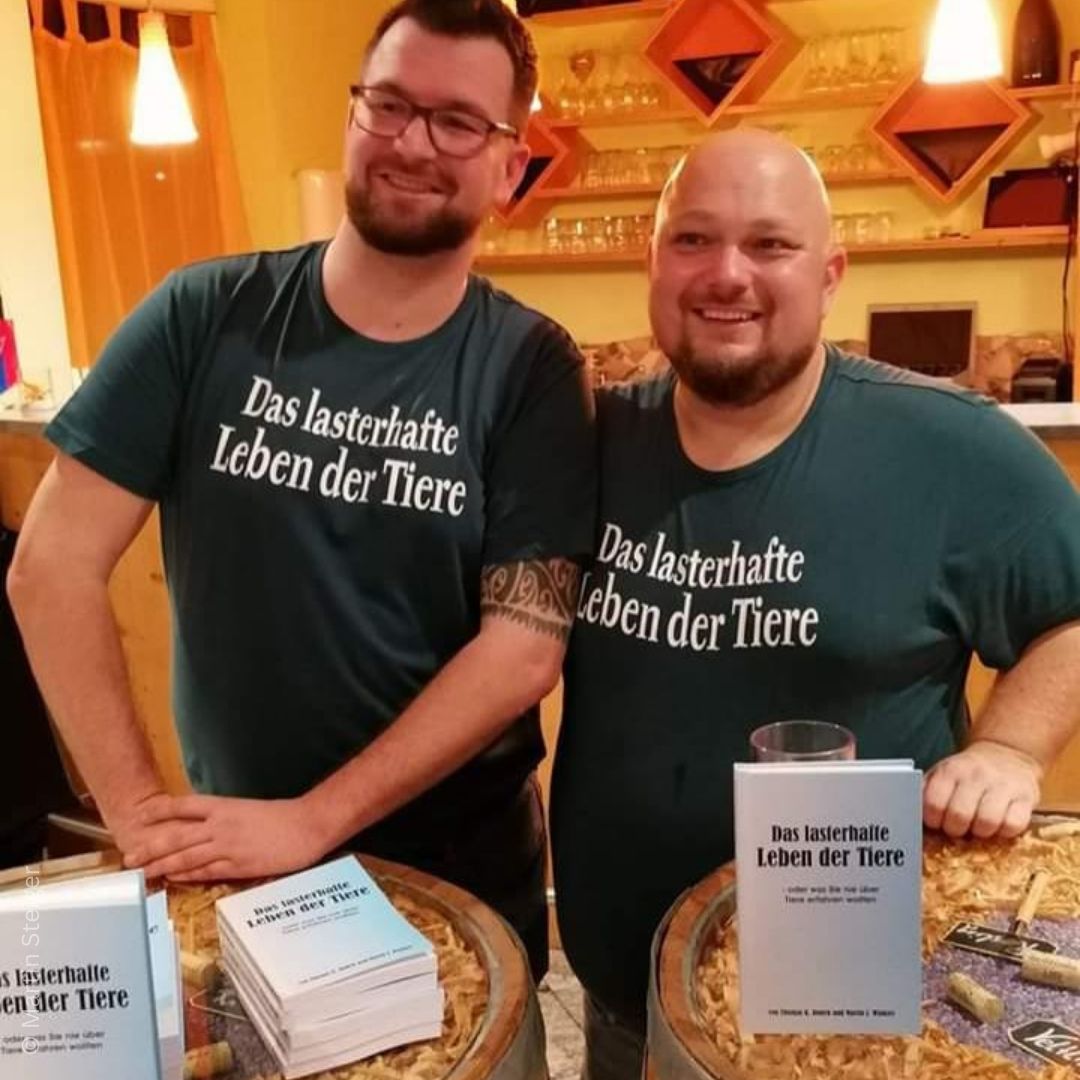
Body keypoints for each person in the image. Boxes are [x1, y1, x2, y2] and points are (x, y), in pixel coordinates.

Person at [7, 0, 596, 983]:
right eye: (390, 104)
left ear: (510, 162)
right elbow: (51, 567)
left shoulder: (533, 369)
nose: (413, 141)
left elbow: (524, 646)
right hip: (237, 864)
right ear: (353, 114)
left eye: (459, 121)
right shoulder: (200, 316)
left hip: (462, 874)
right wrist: (142, 820)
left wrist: (314, 821)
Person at [551, 129, 1080, 1077]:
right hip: (623, 1001)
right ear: (652, 260)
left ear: (830, 273)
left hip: (856, 1015)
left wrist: (1012, 744)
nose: (726, 274)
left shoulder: (947, 447)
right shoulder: (593, 441)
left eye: (770, 245)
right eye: (693, 240)